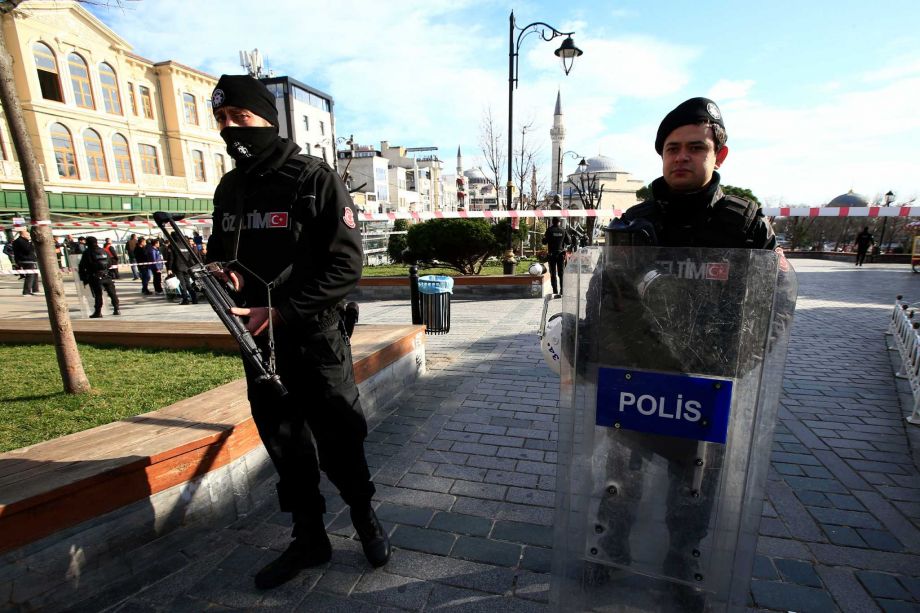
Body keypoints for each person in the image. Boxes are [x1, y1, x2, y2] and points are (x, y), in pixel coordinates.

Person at [588, 98, 780, 606]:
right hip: (638, 378)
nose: (682, 157)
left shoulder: (743, 226)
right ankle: (611, 549)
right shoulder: (635, 221)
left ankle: (681, 562)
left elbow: (773, 302)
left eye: (696, 147)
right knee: (619, 476)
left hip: (705, 382)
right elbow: (602, 296)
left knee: (694, 484)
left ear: (720, 154)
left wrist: (739, 361)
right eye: (672, 148)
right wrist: (603, 356)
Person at [205, 74, 388, 589]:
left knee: (341, 439)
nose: (231, 128)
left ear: (267, 118)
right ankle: (310, 540)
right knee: (285, 444)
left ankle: (364, 517)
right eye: (221, 119)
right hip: (258, 343)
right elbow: (222, 251)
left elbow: (346, 269)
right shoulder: (230, 186)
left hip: (314, 338)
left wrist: (282, 312)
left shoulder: (313, 178)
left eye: (240, 117)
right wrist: (227, 272)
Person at [78, 236, 119, 318]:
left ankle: (98, 312)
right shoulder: (104, 251)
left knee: (98, 295)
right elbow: (110, 263)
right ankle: (116, 309)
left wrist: (83, 278)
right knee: (112, 293)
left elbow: (82, 266)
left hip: (95, 276)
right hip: (107, 275)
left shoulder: (87, 252)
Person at [542, 217, 567, 295]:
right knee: (561, 273)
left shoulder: (549, 230)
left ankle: (555, 291)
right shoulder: (563, 230)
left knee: (553, 273)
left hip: (552, 255)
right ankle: (562, 290)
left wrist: (544, 239)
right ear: (559, 222)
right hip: (560, 255)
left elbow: (544, 242)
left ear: (552, 222)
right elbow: (569, 241)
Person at [12, 229, 39, 295]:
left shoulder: (19, 241)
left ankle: (35, 289)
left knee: (34, 274)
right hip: (27, 260)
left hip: (27, 259)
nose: (29, 236)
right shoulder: (21, 241)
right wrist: (31, 243)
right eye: (27, 234)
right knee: (30, 275)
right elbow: (27, 250)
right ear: (23, 234)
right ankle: (27, 291)